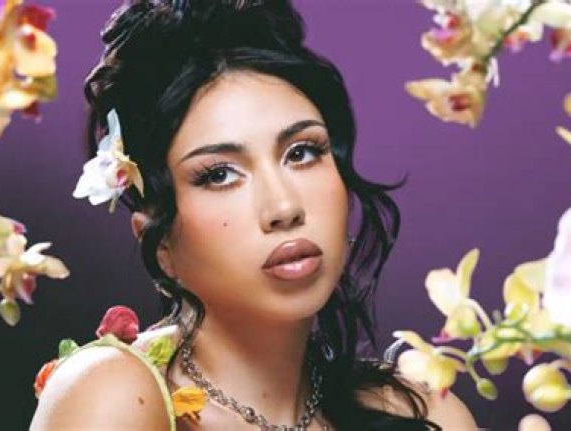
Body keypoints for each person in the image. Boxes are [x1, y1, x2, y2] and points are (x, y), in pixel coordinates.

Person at [30, 0, 478, 429]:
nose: (284, 208)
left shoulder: (423, 415)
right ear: (159, 240)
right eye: (220, 174)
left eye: (302, 152)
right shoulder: (113, 393)